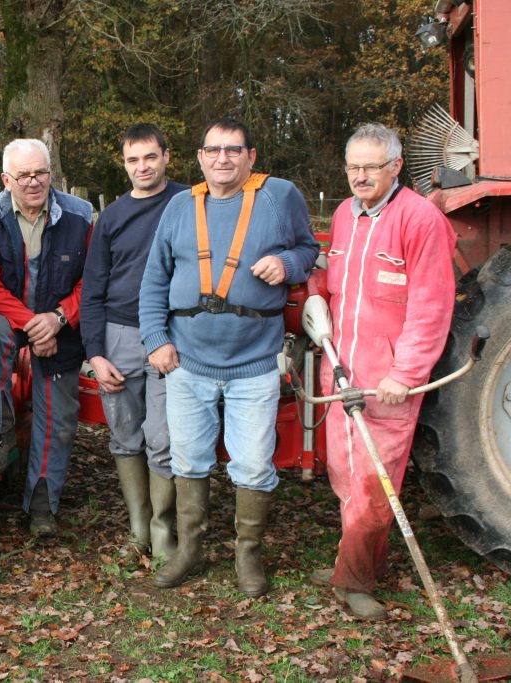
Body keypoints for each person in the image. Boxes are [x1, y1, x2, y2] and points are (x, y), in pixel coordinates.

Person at [138, 117, 318, 596]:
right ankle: (189, 550)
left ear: (250, 156)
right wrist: (155, 338)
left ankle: (247, 555)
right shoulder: (180, 206)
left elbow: (308, 249)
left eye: (234, 149)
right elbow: (154, 278)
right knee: (187, 460)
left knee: (254, 464)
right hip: (188, 361)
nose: (223, 158)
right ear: (200, 157)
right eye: (214, 150)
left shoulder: (279, 196)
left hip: (253, 363)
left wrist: (287, 263)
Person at [312, 123, 455, 620]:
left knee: (375, 485)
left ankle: (353, 582)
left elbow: (431, 305)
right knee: (346, 477)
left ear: (396, 166)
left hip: (387, 381)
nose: (360, 177)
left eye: (371, 167)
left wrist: (406, 372)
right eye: (353, 167)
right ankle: (356, 564)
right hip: (341, 373)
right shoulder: (344, 215)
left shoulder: (420, 219)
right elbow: (337, 285)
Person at [0, 139, 93, 537]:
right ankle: (0, 430)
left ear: (50, 173)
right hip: (12, 319)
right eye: (23, 174)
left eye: (40, 172)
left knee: (57, 417)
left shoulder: (80, 216)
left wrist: (57, 319)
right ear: (6, 179)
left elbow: (91, 280)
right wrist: (33, 324)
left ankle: (42, 504)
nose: (33, 181)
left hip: (62, 324)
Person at [81, 124, 188, 560]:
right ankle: (138, 530)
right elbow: (92, 288)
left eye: (149, 157)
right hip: (119, 333)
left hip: (171, 334)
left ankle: (164, 531)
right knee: (125, 436)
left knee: (163, 437)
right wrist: (95, 353)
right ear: (124, 164)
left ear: (166, 156)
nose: (142, 167)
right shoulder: (112, 216)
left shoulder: (188, 203)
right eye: (132, 160)